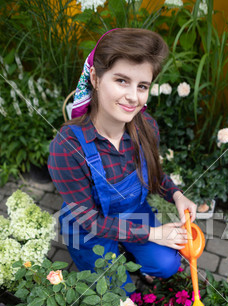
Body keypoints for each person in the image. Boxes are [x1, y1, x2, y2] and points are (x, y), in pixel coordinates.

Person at [48, 28, 197, 285]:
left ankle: (129, 248)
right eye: (121, 81)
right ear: (95, 78)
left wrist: (176, 194)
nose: (132, 96)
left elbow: (153, 172)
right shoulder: (67, 147)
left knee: (168, 263)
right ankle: (121, 257)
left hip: (131, 212)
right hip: (87, 229)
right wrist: (151, 233)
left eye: (142, 86)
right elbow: (90, 220)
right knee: (120, 290)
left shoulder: (146, 126)